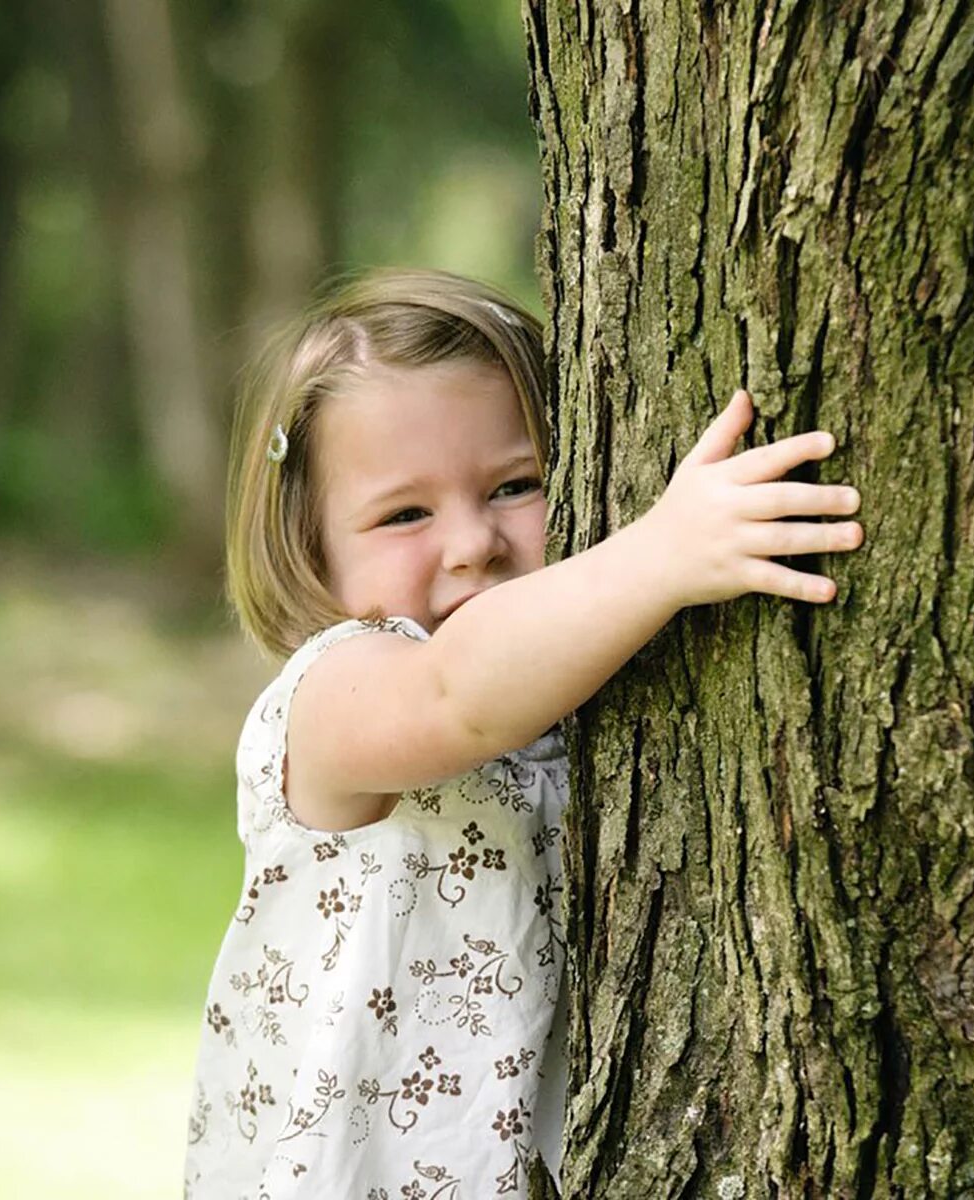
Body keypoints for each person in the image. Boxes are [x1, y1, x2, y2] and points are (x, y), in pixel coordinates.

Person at [182, 267, 865, 1198]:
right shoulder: (335, 694)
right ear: (311, 549)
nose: (472, 542)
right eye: (405, 513)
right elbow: (456, 698)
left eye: (515, 485)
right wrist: (661, 555)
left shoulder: (571, 689)